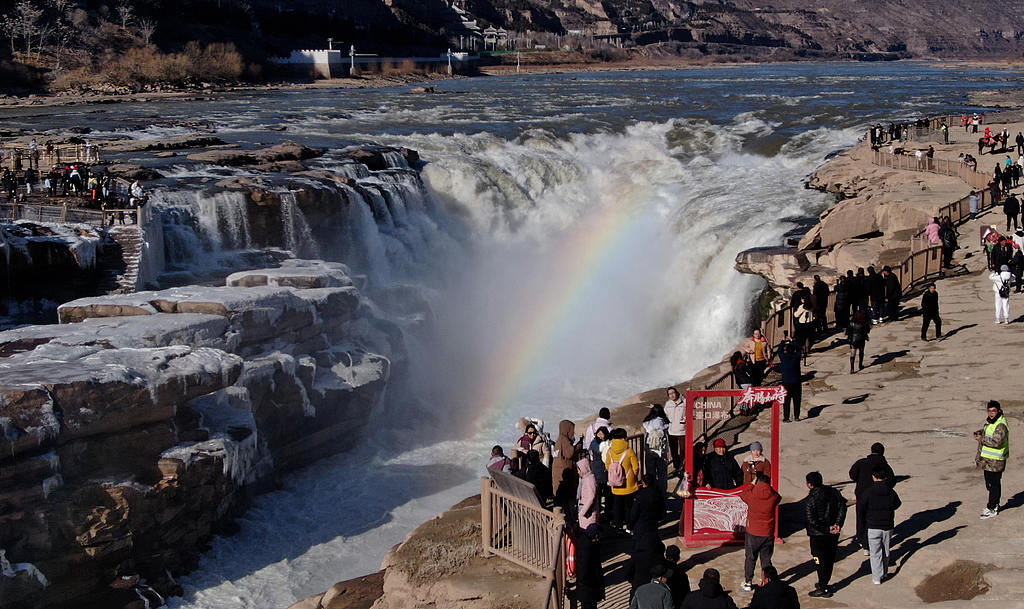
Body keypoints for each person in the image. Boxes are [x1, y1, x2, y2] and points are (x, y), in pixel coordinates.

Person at [805, 471, 847, 598]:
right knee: (829, 558)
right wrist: (838, 524)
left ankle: (823, 586)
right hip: (833, 532)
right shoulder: (834, 492)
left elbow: (811, 520)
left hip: (819, 535)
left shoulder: (811, 499)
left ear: (810, 485)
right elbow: (842, 507)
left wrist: (827, 528)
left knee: (819, 560)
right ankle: (824, 582)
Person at [849, 442, 896, 552]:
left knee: (861, 518)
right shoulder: (885, 466)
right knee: (874, 519)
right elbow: (892, 481)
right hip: (880, 498)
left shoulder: (861, 463)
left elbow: (852, 475)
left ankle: (863, 542)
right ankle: (873, 543)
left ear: (871, 451)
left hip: (861, 495)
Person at [739, 473, 780, 592]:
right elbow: (778, 497)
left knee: (750, 557)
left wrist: (752, 484)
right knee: (766, 559)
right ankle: (767, 580)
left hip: (753, 532)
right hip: (768, 532)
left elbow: (742, 494)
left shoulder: (752, 496)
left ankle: (748, 581)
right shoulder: (773, 496)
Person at [862, 467, 901, 585]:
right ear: (885, 478)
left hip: (873, 526)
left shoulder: (868, 492)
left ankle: (877, 577)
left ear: (874, 477)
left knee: (875, 553)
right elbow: (897, 504)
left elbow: (862, 507)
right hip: (888, 525)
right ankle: (884, 572)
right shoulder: (890, 491)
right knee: (886, 550)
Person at [974, 400, 1009, 519]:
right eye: (989, 411)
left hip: (996, 461)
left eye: (993, 411)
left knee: (993, 484)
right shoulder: (992, 422)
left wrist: (981, 438)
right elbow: (990, 433)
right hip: (989, 461)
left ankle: (992, 507)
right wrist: (981, 432)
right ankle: (994, 504)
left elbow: (997, 442)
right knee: (990, 484)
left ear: (998, 411)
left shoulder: (1001, 424)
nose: (991, 413)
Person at [606, 428, 640, 532]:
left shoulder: (609, 451)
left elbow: (608, 466)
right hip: (629, 484)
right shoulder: (629, 451)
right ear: (624, 437)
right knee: (629, 507)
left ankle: (618, 526)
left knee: (617, 506)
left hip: (615, 484)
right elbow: (636, 467)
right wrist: (633, 476)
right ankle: (629, 527)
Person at [574, 523, 605, 609]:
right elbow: (584, 569)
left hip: (588, 588)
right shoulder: (588, 549)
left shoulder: (587, 544)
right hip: (588, 588)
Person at [643, 404, 670, 492]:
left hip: (650, 449)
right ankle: (662, 491)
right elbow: (667, 427)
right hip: (661, 451)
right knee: (662, 472)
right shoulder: (663, 422)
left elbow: (645, 428)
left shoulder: (647, 422)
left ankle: (651, 490)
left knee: (651, 471)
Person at [552, 419, 578, 510]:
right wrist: (578, 446)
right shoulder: (564, 440)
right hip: (565, 472)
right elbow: (570, 453)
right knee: (566, 499)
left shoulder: (559, 439)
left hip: (558, 473)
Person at [778, 339, 802, 421]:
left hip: (786, 381)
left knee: (786, 401)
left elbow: (779, 350)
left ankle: (786, 417)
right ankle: (796, 416)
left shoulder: (784, 357)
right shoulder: (796, 357)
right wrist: (792, 341)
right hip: (796, 381)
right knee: (797, 400)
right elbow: (799, 348)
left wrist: (783, 342)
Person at [663, 387, 686, 473]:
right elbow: (664, 415)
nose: (672, 395)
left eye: (673, 393)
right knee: (673, 451)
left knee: (683, 450)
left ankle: (683, 467)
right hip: (671, 431)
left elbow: (692, 411)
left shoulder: (684, 402)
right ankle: (677, 467)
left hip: (682, 431)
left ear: (677, 392)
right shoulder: (668, 404)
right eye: (670, 394)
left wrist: (686, 419)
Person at [577, 458, 600, 531]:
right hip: (586, 512)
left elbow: (591, 497)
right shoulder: (586, 478)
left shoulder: (589, 480)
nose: (578, 472)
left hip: (588, 513)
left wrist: (582, 512)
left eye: (579, 470)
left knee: (589, 532)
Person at [793, 294, 815, 360]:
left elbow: (796, 315)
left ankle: (801, 352)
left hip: (803, 324)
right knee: (808, 338)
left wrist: (795, 312)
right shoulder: (811, 305)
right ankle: (807, 350)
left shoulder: (802, 307)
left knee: (801, 339)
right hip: (810, 323)